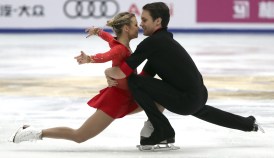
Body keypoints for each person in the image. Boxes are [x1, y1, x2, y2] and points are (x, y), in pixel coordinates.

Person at [105, 2, 263, 146]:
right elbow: (146, 77)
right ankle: (248, 124)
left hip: (186, 99)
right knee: (200, 109)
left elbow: (123, 73)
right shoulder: (163, 41)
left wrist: (107, 71)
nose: (141, 24)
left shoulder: (152, 43)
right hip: (198, 95)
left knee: (134, 81)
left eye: (145, 20)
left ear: (158, 21)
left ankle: (163, 130)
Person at [11, 12, 160, 144]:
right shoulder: (120, 49)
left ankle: (154, 128)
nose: (138, 26)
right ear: (126, 29)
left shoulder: (120, 44)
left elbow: (109, 39)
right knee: (79, 136)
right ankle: (33, 133)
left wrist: (98, 32)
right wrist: (90, 58)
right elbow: (106, 56)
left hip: (129, 96)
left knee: (160, 99)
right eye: (135, 24)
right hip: (116, 100)